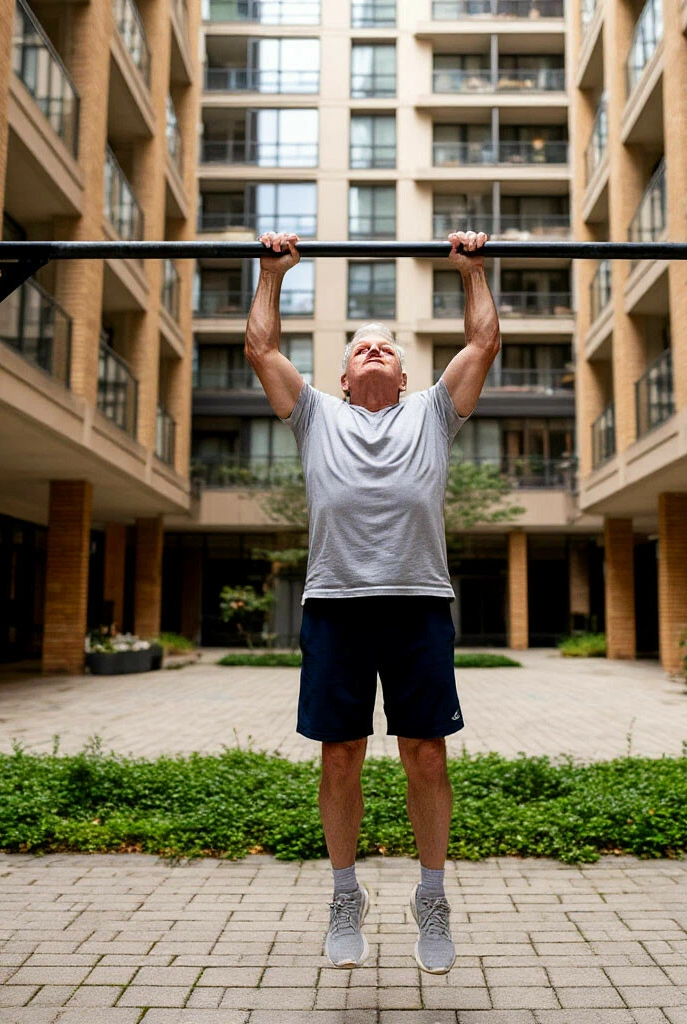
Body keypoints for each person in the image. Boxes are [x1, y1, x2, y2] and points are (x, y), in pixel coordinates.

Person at [244, 229, 500, 975]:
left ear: (407, 371)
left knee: (425, 753)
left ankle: (431, 896)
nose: (375, 352)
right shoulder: (315, 414)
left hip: (419, 602)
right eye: (361, 349)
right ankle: (344, 894)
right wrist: (271, 275)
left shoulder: (433, 415)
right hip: (336, 604)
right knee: (341, 753)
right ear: (344, 379)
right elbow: (262, 349)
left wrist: (472, 270)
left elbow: (482, 342)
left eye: (386, 346)